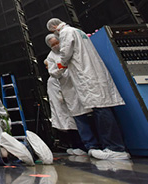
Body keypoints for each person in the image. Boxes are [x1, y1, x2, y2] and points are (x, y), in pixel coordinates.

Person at [46, 18, 130, 161]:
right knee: (100, 109)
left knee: (101, 109)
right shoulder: (79, 32)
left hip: (87, 78)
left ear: (54, 27)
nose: (56, 43)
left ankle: (115, 148)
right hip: (91, 76)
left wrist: (61, 65)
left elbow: (66, 54)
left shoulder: (66, 33)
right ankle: (108, 146)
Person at [44, 34, 88, 156]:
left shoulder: (68, 50)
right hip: (63, 89)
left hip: (75, 88)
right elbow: (54, 73)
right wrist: (61, 68)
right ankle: (76, 145)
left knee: (80, 118)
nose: (55, 46)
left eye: (56, 42)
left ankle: (87, 145)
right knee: (68, 122)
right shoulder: (51, 57)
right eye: (52, 45)